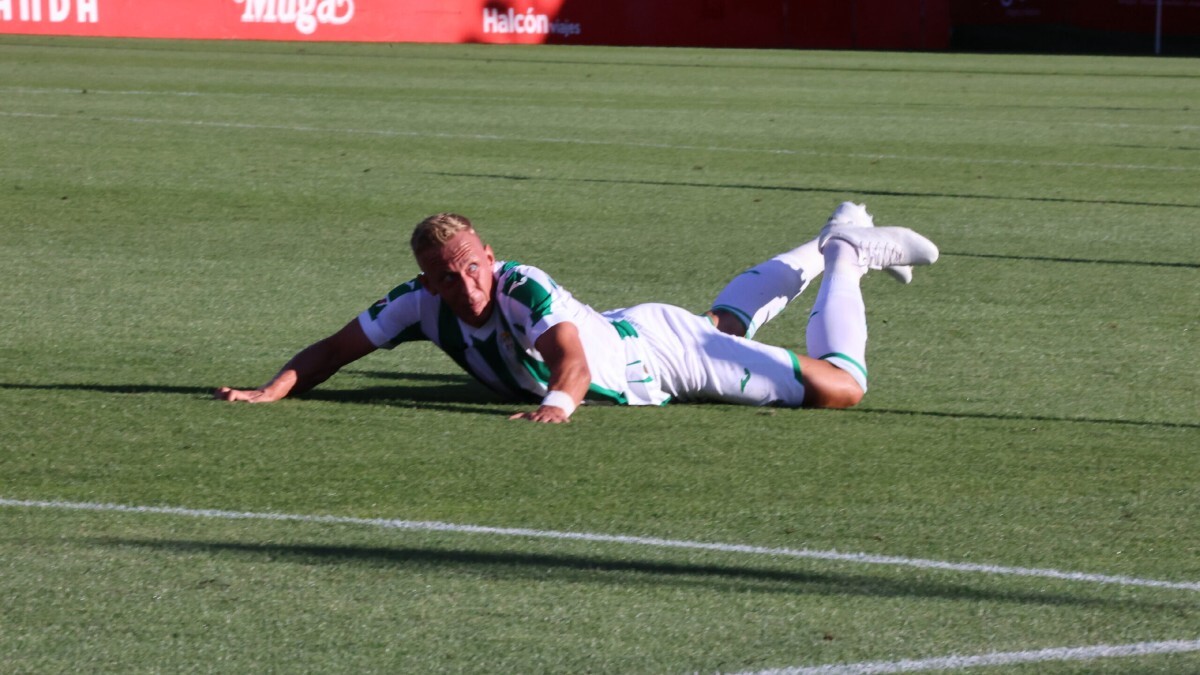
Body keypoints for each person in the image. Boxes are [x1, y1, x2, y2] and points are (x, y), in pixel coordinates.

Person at [214, 203, 938, 423]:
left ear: (490, 256)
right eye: (447, 276)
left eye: (472, 266)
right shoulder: (417, 305)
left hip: (664, 356)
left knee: (843, 386)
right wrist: (272, 389)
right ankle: (833, 236)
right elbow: (334, 350)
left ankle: (846, 254)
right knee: (723, 325)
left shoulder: (522, 284)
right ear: (427, 281)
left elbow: (573, 362)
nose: (465, 283)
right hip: (640, 331)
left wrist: (557, 406)